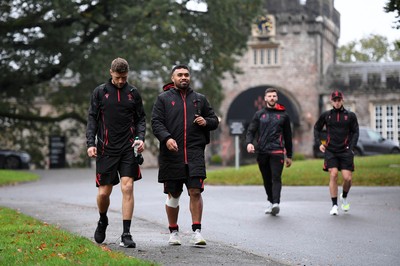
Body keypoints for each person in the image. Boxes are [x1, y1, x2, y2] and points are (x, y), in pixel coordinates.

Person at [151, 64, 219, 247]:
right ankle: (173, 232)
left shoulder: (200, 99)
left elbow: (214, 121)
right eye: (180, 75)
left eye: (186, 75)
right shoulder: (163, 99)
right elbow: (156, 123)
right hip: (171, 154)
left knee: (195, 191)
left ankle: (197, 232)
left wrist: (206, 121)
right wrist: (166, 139)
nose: (184, 77)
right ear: (172, 78)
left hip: (195, 153)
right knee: (174, 194)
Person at [86, 57, 146, 248]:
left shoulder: (133, 93)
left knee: (127, 187)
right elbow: (92, 120)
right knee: (104, 193)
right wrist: (90, 143)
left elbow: (141, 119)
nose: (121, 81)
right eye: (118, 77)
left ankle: (126, 233)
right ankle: (103, 219)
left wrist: (140, 138)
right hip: (106, 149)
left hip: (128, 149)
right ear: (111, 72)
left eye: (124, 77)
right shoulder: (100, 92)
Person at [246, 88, 293, 216]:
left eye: (274, 96)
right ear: (265, 99)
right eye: (269, 96)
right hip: (262, 151)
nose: (272, 98)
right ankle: (271, 201)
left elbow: (288, 137)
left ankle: (276, 203)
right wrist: (249, 143)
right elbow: (251, 131)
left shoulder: (284, 115)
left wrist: (289, 155)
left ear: (276, 98)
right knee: (266, 179)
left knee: (276, 177)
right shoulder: (259, 114)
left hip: (277, 150)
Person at [314, 90, 359, 216]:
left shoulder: (350, 116)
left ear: (342, 101)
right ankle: (334, 205)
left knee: (347, 178)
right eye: (335, 100)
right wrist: (319, 144)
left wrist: (352, 147)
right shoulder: (326, 115)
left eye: (339, 100)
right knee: (333, 174)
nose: (337, 102)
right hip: (331, 150)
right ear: (331, 101)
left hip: (345, 151)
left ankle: (344, 197)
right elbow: (316, 128)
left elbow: (355, 131)